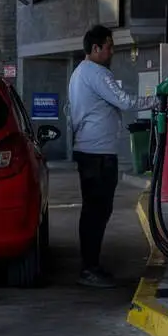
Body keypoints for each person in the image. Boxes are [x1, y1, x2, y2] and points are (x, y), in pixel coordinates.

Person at [68, 25, 156, 288]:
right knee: (97, 211)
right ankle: (89, 268)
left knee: (94, 210)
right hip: (98, 154)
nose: (111, 51)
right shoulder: (96, 73)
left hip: (90, 151)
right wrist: (157, 100)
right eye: (108, 46)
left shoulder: (79, 73)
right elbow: (125, 101)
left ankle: (90, 265)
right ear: (95, 49)